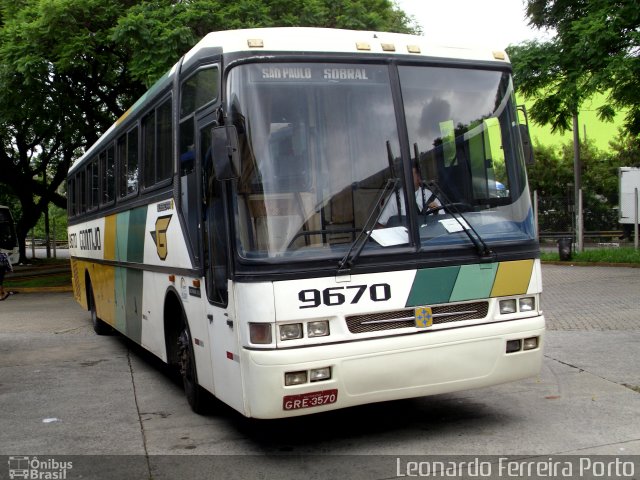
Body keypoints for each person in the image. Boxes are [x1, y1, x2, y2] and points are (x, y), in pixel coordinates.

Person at [377, 165, 444, 227]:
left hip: (429, 236)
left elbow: (443, 221)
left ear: (419, 177)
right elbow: (381, 225)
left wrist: (436, 213)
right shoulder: (394, 198)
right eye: (404, 175)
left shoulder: (430, 195)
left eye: (410, 175)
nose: (406, 178)